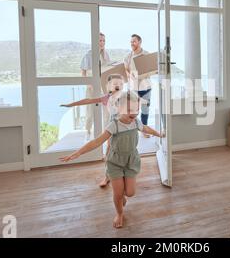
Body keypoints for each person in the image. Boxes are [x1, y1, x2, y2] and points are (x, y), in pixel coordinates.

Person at [60, 90, 163, 228]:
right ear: (119, 109)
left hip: (131, 161)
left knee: (130, 193)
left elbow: (146, 128)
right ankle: (119, 214)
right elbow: (97, 142)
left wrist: (158, 134)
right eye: (129, 109)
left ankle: (122, 197)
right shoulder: (114, 125)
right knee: (118, 194)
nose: (134, 113)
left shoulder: (135, 122)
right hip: (115, 162)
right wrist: (78, 153)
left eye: (136, 109)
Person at [61, 74, 124, 188]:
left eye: (121, 84)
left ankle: (124, 175)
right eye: (115, 84)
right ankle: (107, 176)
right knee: (109, 151)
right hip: (112, 126)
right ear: (108, 86)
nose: (118, 86)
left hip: (125, 127)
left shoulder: (126, 97)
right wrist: (71, 104)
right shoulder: (106, 98)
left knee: (124, 151)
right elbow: (88, 100)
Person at [80, 33, 111, 136]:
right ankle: (88, 131)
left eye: (103, 41)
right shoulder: (88, 55)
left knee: (107, 111)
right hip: (92, 87)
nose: (102, 43)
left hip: (104, 87)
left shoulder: (106, 54)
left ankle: (105, 133)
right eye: (100, 40)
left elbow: (108, 69)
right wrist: (88, 84)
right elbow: (83, 72)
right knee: (90, 112)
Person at [124, 34, 152, 138]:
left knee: (145, 111)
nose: (132, 43)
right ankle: (133, 131)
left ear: (140, 42)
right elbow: (126, 70)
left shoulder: (146, 54)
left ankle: (144, 130)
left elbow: (151, 69)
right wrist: (130, 75)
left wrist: (145, 74)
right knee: (133, 111)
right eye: (131, 41)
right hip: (134, 88)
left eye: (134, 41)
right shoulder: (128, 56)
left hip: (146, 87)